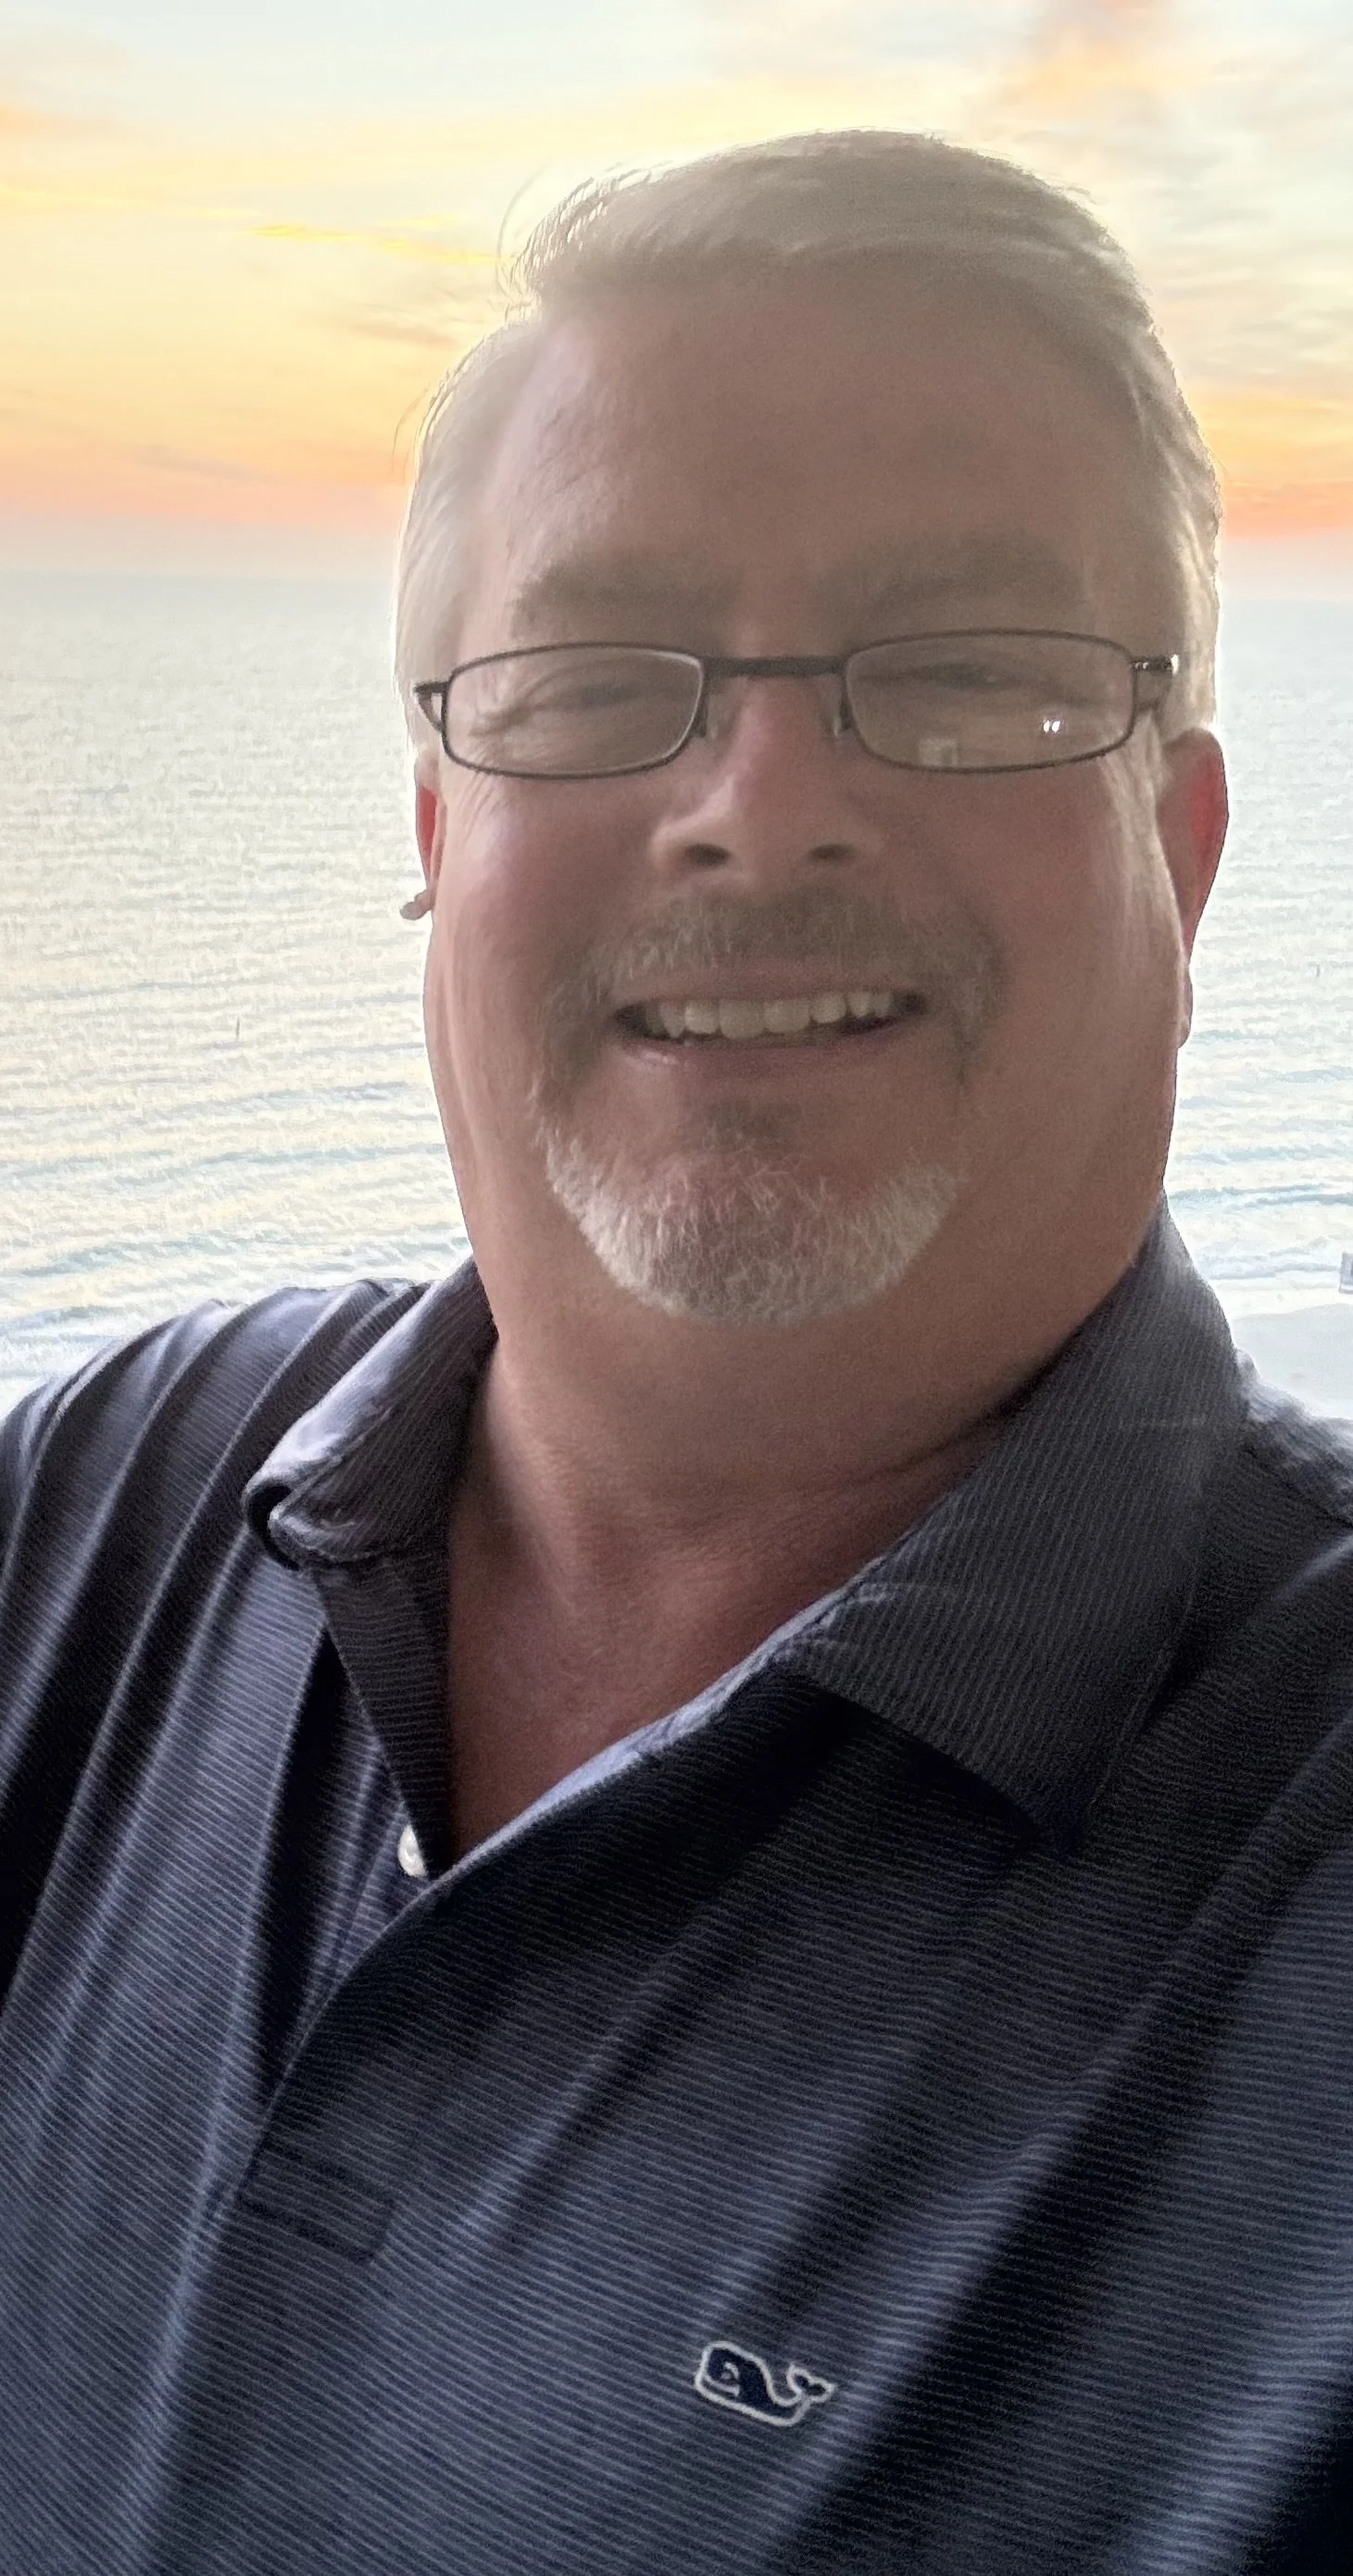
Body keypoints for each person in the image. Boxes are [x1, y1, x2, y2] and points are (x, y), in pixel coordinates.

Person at [2, 128, 1351, 2576]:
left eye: (966, 673)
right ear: (439, 831)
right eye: (598, 682)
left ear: (1178, 849)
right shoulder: (96, 1508)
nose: (757, 809)